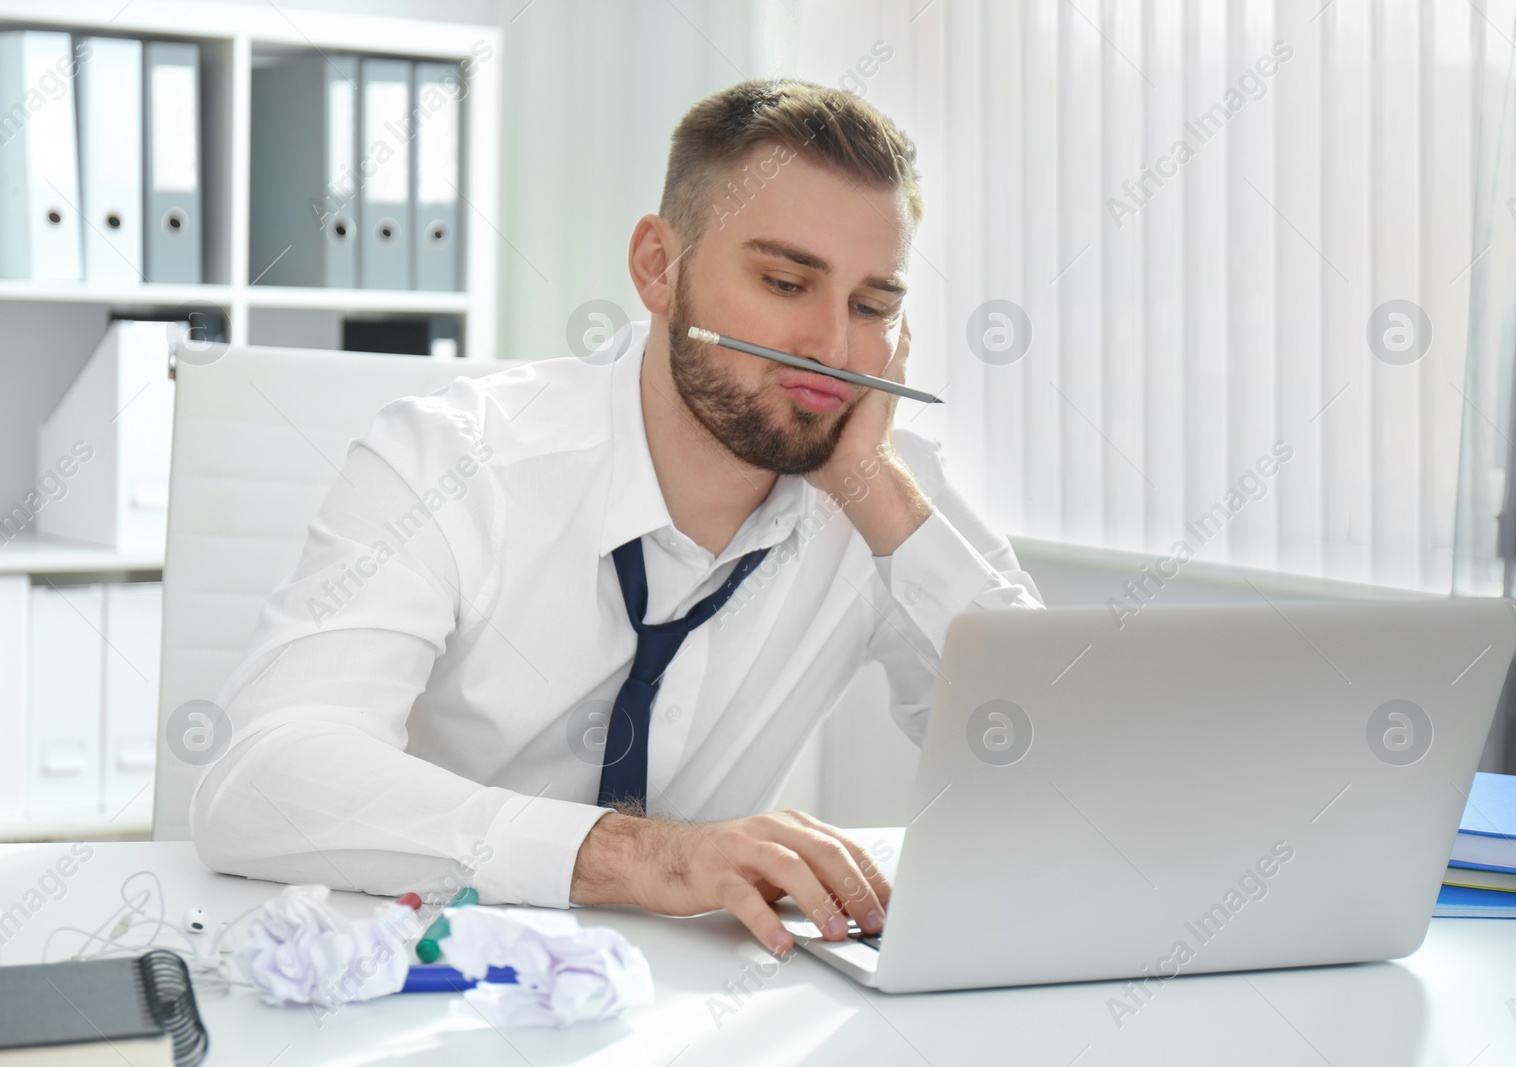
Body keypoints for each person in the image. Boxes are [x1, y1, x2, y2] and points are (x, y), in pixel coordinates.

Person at [191, 78, 1043, 956]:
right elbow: (258, 781)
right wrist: (641, 857)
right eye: (786, 281)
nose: (832, 348)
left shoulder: (885, 498)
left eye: (873, 306)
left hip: (696, 1005)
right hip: (417, 970)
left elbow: (1060, 768)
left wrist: (878, 494)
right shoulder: (454, 460)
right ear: (657, 268)